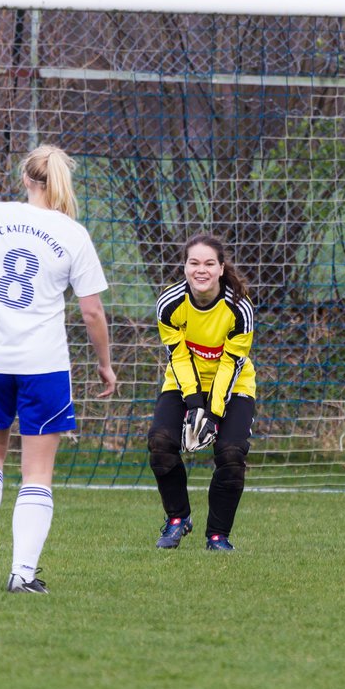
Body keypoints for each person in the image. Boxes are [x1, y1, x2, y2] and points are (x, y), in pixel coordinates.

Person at [0, 144, 116, 594]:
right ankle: (22, 574)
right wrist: (105, 364)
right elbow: (92, 313)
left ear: (26, 180)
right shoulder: (73, 234)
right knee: (36, 473)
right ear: (62, 183)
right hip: (43, 366)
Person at [148, 233, 256, 551]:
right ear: (184, 267)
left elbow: (231, 365)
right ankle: (178, 519)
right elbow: (179, 356)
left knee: (231, 451)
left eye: (209, 263)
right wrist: (194, 403)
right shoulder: (169, 305)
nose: (201, 270)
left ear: (221, 269)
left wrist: (212, 412)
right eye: (194, 262)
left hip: (233, 386)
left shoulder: (239, 309)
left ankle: (217, 536)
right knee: (160, 441)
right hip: (184, 381)